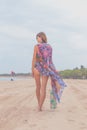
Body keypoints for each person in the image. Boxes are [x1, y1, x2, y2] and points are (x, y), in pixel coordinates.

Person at [32, 32, 67, 111]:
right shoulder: (50, 47)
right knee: (43, 88)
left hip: (38, 67)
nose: (37, 39)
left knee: (38, 87)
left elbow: (34, 58)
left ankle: (39, 105)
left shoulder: (36, 46)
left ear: (42, 37)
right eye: (36, 38)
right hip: (46, 68)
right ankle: (40, 107)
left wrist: (32, 69)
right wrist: (52, 69)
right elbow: (50, 60)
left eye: (37, 37)